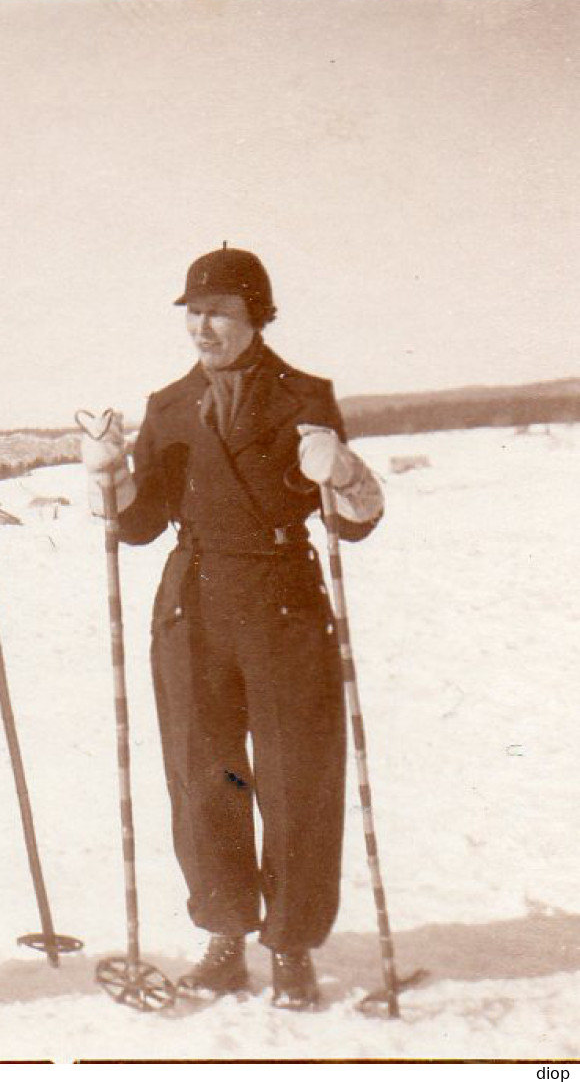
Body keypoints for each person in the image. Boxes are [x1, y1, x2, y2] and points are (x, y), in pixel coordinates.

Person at [80, 245, 384, 1010]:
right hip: (194, 602)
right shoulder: (169, 402)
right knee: (202, 770)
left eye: (217, 311)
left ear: (256, 316)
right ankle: (223, 933)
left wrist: (339, 469)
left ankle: (291, 944)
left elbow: (357, 522)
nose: (201, 326)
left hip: (282, 596)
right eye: (192, 311)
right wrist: (110, 476)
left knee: (295, 775)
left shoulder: (305, 395)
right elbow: (142, 522)